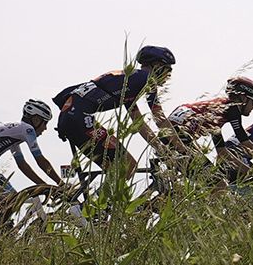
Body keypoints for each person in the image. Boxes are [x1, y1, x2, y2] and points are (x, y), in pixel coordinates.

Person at [52, 45, 175, 174]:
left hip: (71, 117)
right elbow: (160, 120)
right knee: (128, 166)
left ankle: (104, 187)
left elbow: (139, 124)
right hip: (80, 119)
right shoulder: (146, 79)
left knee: (116, 170)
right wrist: (181, 150)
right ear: (157, 65)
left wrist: (160, 149)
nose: (168, 76)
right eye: (167, 70)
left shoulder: (129, 82)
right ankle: (107, 188)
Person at [162, 76, 253, 181]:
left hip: (168, 135)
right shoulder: (232, 108)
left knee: (208, 180)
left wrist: (250, 172)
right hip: (180, 138)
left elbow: (222, 153)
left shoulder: (216, 109)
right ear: (244, 98)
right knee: (218, 184)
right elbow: (245, 142)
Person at [0, 99, 63, 198]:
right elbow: (40, 160)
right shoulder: (27, 129)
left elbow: (22, 165)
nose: (45, 128)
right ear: (36, 120)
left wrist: (43, 186)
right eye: (45, 123)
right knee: (12, 198)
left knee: (2, 202)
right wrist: (61, 183)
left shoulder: (14, 133)